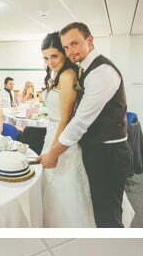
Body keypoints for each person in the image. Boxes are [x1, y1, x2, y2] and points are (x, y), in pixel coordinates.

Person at [38, 22, 133, 227]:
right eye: (66, 47)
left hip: (109, 152)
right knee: (97, 207)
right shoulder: (83, 69)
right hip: (94, 148)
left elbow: (79, 121)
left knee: (108, 214)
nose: (71, 51)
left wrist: (54, 153)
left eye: (75, 44)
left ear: (90, 40)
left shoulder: (101, 72)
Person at [37, 31, 96, 227]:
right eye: (46, 58)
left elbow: (66, 119)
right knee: (52, 187)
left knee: (61, 187)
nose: (50, 62)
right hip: (52, 132)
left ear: (64, 52)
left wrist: (54, 151)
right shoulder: (58, 75)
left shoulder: (67, 76)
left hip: (61, 136)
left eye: (54, 56)